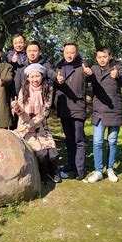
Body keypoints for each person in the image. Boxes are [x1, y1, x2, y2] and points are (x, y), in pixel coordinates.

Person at [86, 47, 122, 184]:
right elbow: (85, 82)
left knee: (112, 141)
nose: (102, 59)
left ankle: (110, 169)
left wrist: (118, 77)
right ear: (96, 58)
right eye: (99, 57)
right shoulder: (93, 69)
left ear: (109, 56)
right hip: (99, 111)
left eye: (104, 57)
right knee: (98, 142)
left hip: (114, 110)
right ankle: (98, 171)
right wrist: (85, 74)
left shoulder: (117, 68)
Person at [11, 63, 61, 184]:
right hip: (26, 128)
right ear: (28, 78)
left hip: (41, 126)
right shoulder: (24, 90)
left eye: (37, 76)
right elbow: (22, 112)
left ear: (42, 76)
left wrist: (32, 123)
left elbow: (45, 110)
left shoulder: (48, 88)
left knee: (53, 153)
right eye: (32, 77)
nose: (35, 79)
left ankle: (53, 171)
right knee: (42, 154)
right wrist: (17, 107)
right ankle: (42, 174)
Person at [54, 43, 92, 180]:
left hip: (77, 107)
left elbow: (92, 78)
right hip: (64, 108)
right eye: (66, 52)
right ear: (63, 53)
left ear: (76, 53)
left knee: (79, 139)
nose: (69, 55)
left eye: (72, 52)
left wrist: (89, 73)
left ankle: (80, 169)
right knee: (69, 139)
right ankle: (71, 164)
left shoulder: (83, 66)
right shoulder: (59, 67)